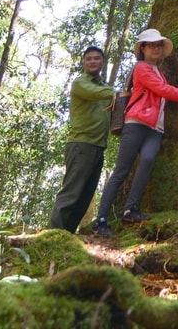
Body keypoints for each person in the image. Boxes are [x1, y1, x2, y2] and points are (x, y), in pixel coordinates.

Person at [92, 28, 178, 236]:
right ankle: (101, 219)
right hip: (136, 122)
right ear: (143, 49)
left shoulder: (160, 73)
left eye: (159, 45)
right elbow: (165, 91)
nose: (155, 48)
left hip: (155, 128)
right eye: (151, 45)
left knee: (147, 160)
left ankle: (131, 209)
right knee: (121, 170)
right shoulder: (141, 68)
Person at [50, 46, 114, 233]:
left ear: (102, 62)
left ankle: (67, 234)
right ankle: (54, 233)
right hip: (81, 144)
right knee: (72, 191)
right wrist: (119, 93)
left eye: (97, 58)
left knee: (85, 195)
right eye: (89, 59)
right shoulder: (81, 83)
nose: (93, 61)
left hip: (98, 146)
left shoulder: (104, 86)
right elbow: (98, 94)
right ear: (84, 63)